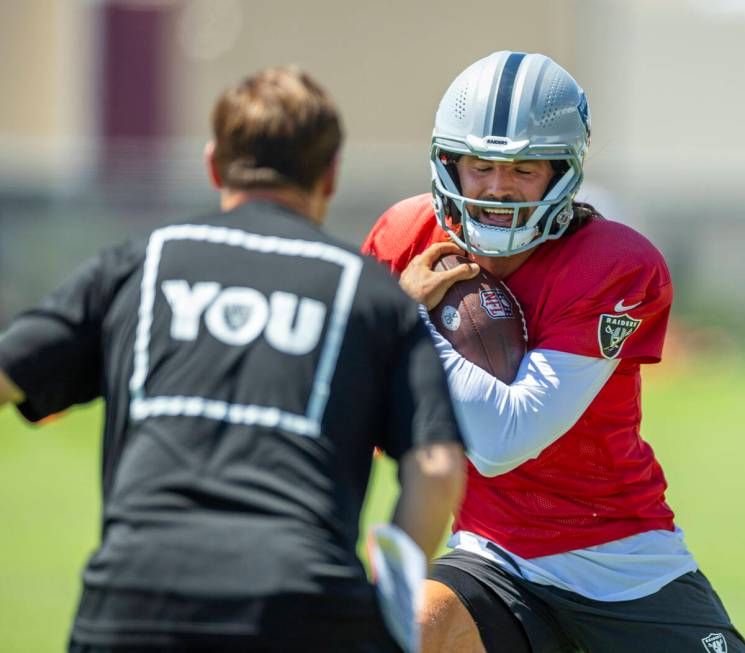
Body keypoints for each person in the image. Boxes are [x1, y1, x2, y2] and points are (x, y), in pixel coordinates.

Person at [0, 66, 466, 653]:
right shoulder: (371, 294)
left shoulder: (138, 266)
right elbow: (438, 468)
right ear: (331, 174)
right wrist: (392, 616)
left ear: (214, 163)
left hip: (132, 605)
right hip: (303, 611)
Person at [362, 51, 744, 653]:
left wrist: (409, 324)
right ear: (448, 163)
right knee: (407, 629)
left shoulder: (614, 263)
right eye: (481, 165)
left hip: (623, 565)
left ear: (563, 171)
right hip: (491, 557)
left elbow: (505, 440)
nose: (497, 188)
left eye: (524, 169)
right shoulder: (405, 235)